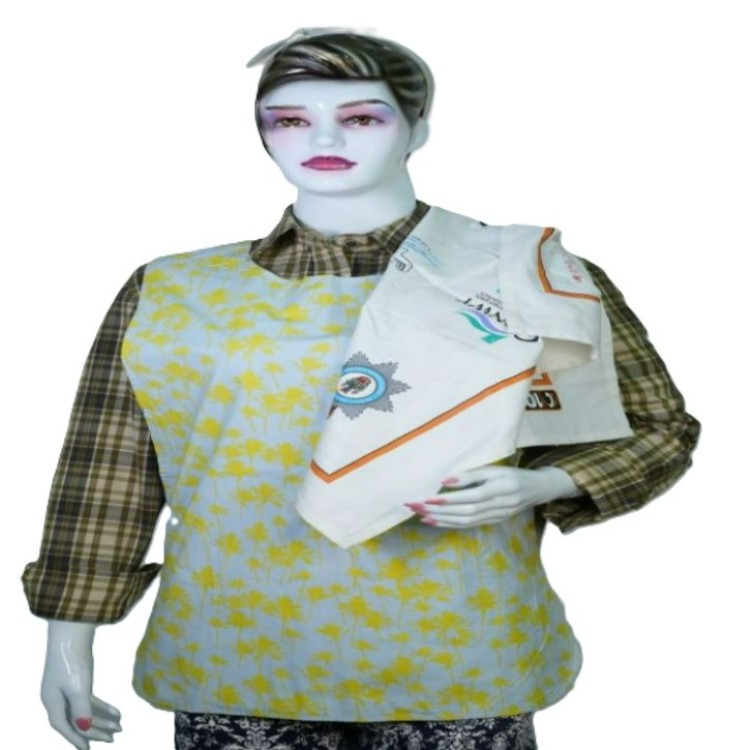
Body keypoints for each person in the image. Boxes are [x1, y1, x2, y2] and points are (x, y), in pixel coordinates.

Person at [22, 28, 700, 750]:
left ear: (417, 129)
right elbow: (108, 475)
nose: (323, 138)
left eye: (361, 117)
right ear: (262, 132)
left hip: (458, 655)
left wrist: (545, 483)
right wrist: (68, 642)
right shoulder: (174, 290)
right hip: (237, 656)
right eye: (290, 119)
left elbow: (656, 427)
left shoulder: (522, 274)